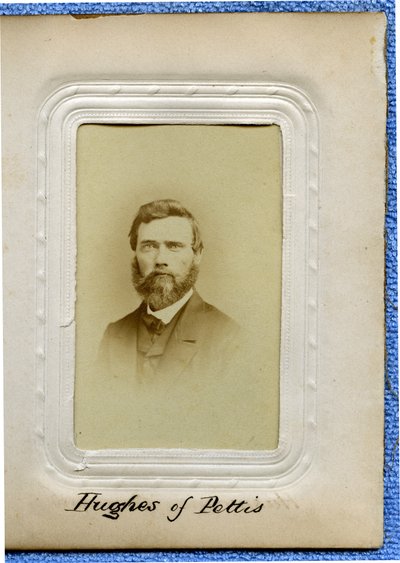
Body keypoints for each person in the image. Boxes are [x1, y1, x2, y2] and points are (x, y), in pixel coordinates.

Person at [83, 199, 272, 450]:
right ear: (136, 254)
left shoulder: (229, 338)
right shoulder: (114, 335)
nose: (160, 259)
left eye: (174, 246)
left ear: (197, 255)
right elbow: (96, 425)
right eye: (149, 246)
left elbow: (233, 434)